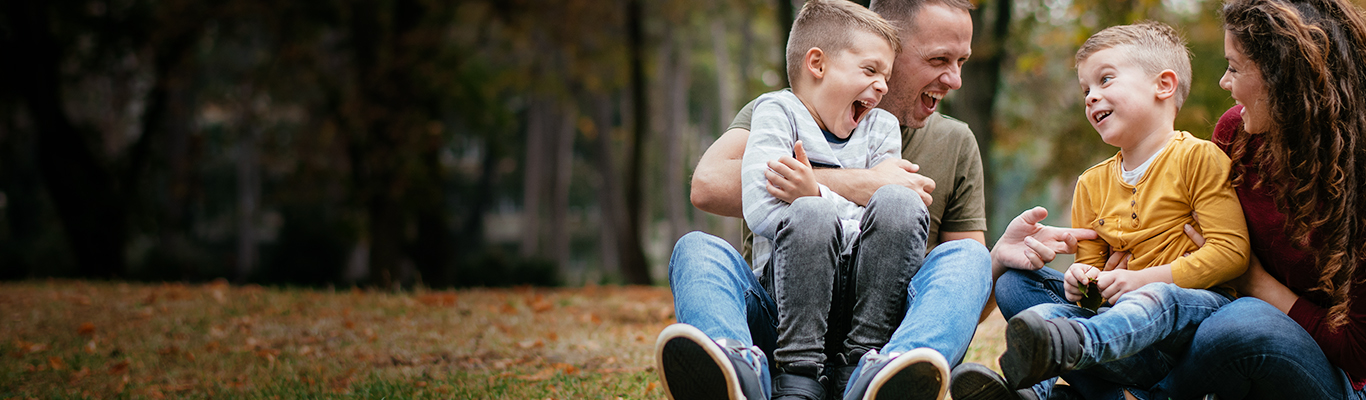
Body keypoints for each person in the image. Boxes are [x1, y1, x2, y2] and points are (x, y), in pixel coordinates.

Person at [656, 1, 995, 399]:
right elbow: (708, 185)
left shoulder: (954, 141)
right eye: (939, 59)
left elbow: (955, 291)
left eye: (962, 61)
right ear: (890, 46)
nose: (954, 79)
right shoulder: (785, 111)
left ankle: (897, 372)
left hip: (882, 330)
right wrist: (857, 184)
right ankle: (736, 369)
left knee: (973, 258)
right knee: (697, 249)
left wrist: (1002, 263)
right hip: (781, 324)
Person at [949, 21, 1253, 400]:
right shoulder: (1091, 184)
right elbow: (1092, 286)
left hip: (1187, 321)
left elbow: (1232, 253)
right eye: (1085, 90)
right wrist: (1082, 281)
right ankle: (1030, 394)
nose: (1091, 97)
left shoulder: (1199, 158)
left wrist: (1141, 281)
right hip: (1116, 333)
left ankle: (1081, 359)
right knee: (1017, 286)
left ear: (1164, 85)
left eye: (1105, 80)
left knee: (1155, 297)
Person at [1144, 0, 1366, 397]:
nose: (1223, 83)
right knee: (1023, 287)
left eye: (1234, 67)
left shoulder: (1359, 174)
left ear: (1283, 76)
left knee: (1242, 325)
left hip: (1336, 376)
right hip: (1224, 333)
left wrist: (1254, 282)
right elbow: (1196, 242)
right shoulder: (1236, 133)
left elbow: (1358, 351)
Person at [732, 0, 945, 399]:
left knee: (900, 204)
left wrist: (814, 190)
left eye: (886, 74)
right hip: (790, 296)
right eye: (870, 70)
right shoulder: (776, 112)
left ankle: (861, 362)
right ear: (817, 64)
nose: (883, 85)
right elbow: (760, 208)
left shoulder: (880, 127)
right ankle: (798, 372)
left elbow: (890, 215)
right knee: (808, 216)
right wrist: (834, 204)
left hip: (864, 294)